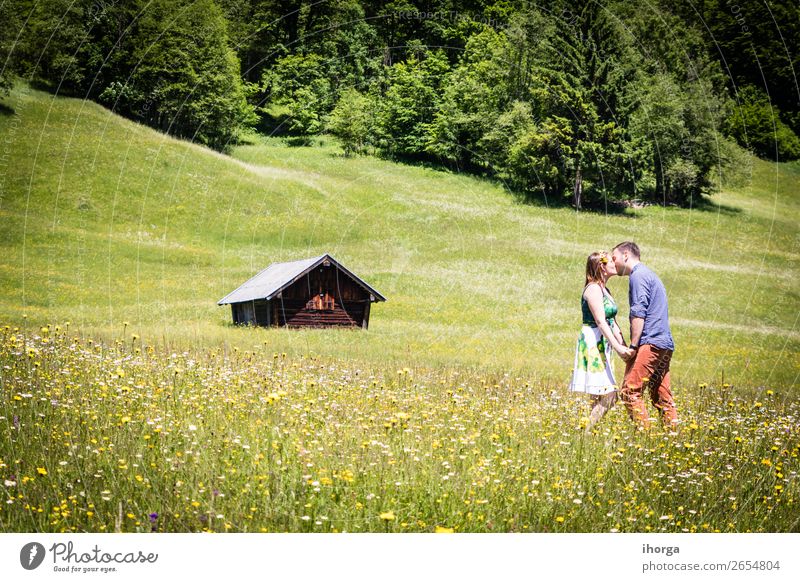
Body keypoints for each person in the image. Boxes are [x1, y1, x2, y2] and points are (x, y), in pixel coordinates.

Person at [610, 241, 678, 430]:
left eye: (614, 257)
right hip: (665, 343)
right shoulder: (650, 275)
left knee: (630, 391)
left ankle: (645, 438)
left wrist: (633, 346)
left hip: (651, 342)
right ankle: (674, 436)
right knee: (660, 394)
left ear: (626, 255)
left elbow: (638, 312)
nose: (613, 263)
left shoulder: (637, 276)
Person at [569, 251, 633, 433]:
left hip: (603, 341)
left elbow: (612, 321)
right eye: (610, 260)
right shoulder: (593, 289)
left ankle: (586, 436)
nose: (615, 262)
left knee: (598, 395)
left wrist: (623, 345)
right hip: (592, 341)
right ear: (601, 267)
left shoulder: (605, 289)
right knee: (610, 394)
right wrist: (618, 347)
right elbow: (600, 321)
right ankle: (582, 431)